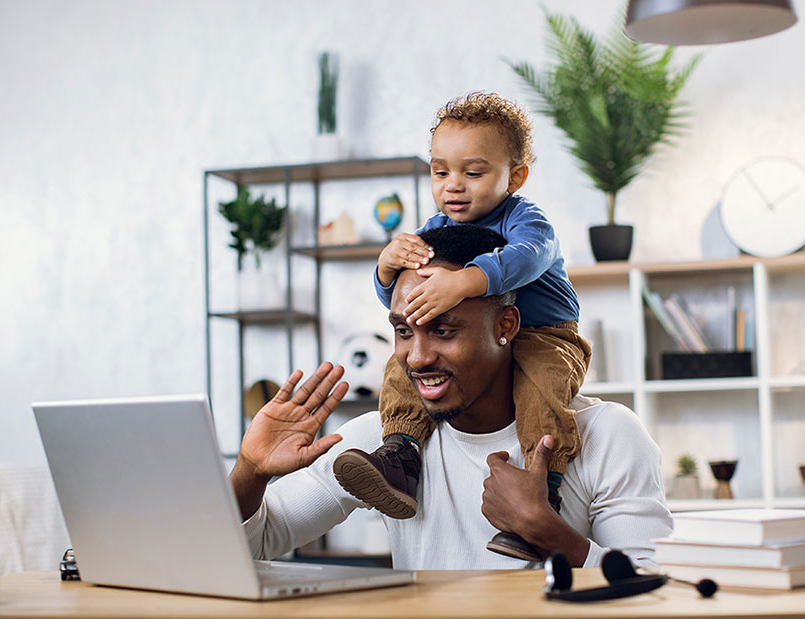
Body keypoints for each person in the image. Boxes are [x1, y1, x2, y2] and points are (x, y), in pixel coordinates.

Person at [230, 224, 672, 570]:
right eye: (404, 331)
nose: (417, 357)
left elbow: (659, 594)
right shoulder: (380, 441)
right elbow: (253, 546)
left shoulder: (608, 436)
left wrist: (545, 531)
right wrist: (250, 472)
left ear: (505, 326)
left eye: (443, 330)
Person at [332, 91, 591, 561]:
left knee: (543, 391)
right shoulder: (436, 227)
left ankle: (543, 492)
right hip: (481, 338)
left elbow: (527, 257)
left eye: (473, 173)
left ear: (514, 177)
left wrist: (466, 282)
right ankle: (401, 457)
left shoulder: (526, 218)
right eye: (439, 171)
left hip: (546, 333)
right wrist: (386, 270)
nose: (454, 185)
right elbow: (408, 302)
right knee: (402, 368)